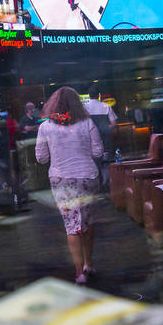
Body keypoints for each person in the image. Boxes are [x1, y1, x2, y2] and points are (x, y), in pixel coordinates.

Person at [35, 87, 103, 284]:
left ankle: (78, 273)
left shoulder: (45, 127)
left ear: (53, 105)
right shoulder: (87, 122)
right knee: (88, 221)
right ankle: (89, 264)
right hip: (87, 177)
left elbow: (41, 158)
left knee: (71, 225)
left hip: (61, 179)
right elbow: (98, 152)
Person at [85, 94, 118, 186]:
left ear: (89, 96)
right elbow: (114, 124)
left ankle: (97, 186)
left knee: (93, 164)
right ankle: (106, 185)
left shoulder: (84, 107)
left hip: (90, 142)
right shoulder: (106, 106)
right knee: (105, 163)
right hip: (105, 140)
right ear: (99, 95)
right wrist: (106, 129)